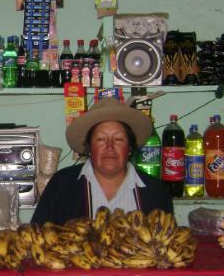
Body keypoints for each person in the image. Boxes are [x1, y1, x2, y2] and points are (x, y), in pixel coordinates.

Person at [31, 97, 173, 226]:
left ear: (130, 147)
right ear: (89, 147)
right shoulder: (62, 185)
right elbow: (37, 235)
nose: (110, 147)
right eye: (101, 139)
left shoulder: (156, 191)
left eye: (118, 139)